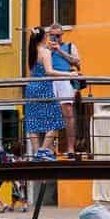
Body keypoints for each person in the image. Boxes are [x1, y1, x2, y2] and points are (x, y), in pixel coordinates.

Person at [24, 27, 75, 161]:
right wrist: (69, 74)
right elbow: (49, 71)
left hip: (31, 88)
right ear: (43, 38)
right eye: (47, 35)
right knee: (55, 119)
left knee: (32, 121)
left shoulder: (31, 52)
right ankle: (43, 150)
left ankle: (36, 153)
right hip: (44, 87)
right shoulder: (45, 52)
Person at [48, 23, 81, 158]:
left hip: (64, 79)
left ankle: (70, 148)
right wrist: (49, 50)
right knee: (50, 114)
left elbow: (77, 62)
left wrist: (60, 51)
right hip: (50, 80)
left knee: (68, 113)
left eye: (58, 35)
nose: (56, 38)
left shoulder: (69, 46)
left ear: (62, 35)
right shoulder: (45, 48)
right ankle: (50, 148)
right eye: (53, 35)